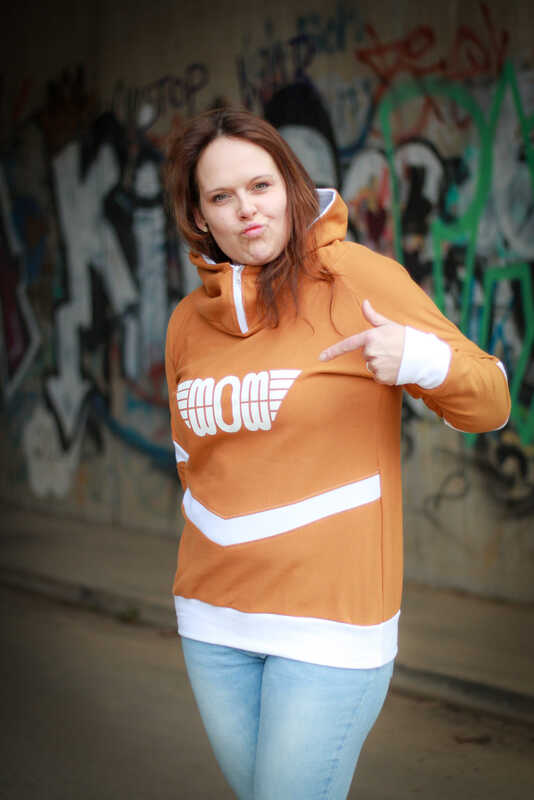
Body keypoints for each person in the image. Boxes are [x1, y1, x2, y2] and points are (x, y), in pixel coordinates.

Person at [164, 108, 510, 800]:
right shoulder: (186, 323)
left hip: (329, 624)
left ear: (291, 187)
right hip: (213, 622)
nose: (246, 210)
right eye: (221, 196)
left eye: (260, 186)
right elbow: (194, 460)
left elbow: (491, 400)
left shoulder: (356, 278)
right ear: (200, 216)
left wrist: (419, 358)